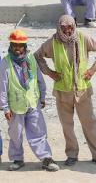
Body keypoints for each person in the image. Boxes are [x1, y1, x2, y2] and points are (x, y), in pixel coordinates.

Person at [34, 15, 96, 167]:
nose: (67, 30)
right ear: (59, 27)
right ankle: (72, 154)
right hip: (63, 91)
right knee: (67, 125)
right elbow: (37, 56)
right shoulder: (53, 41)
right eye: (64, 27)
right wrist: (50, 72)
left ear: (74, 26)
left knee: (89, 123)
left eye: (70, 27)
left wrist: (92, 70)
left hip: (82, 90)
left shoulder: (82, 37)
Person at [1, 29, 60, 171]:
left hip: (33, 103)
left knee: (38, 131)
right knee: (15, 133)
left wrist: (43, 96)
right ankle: (17, 159)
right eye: (14, 45)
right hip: (15, 106)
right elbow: (2, 86)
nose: (17, 48)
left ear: (24, 46)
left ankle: (46, 158)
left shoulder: (31, 59)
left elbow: (39, 79)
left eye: (20, 45)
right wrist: (5, 107)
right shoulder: (5, 62)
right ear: (11, 45)